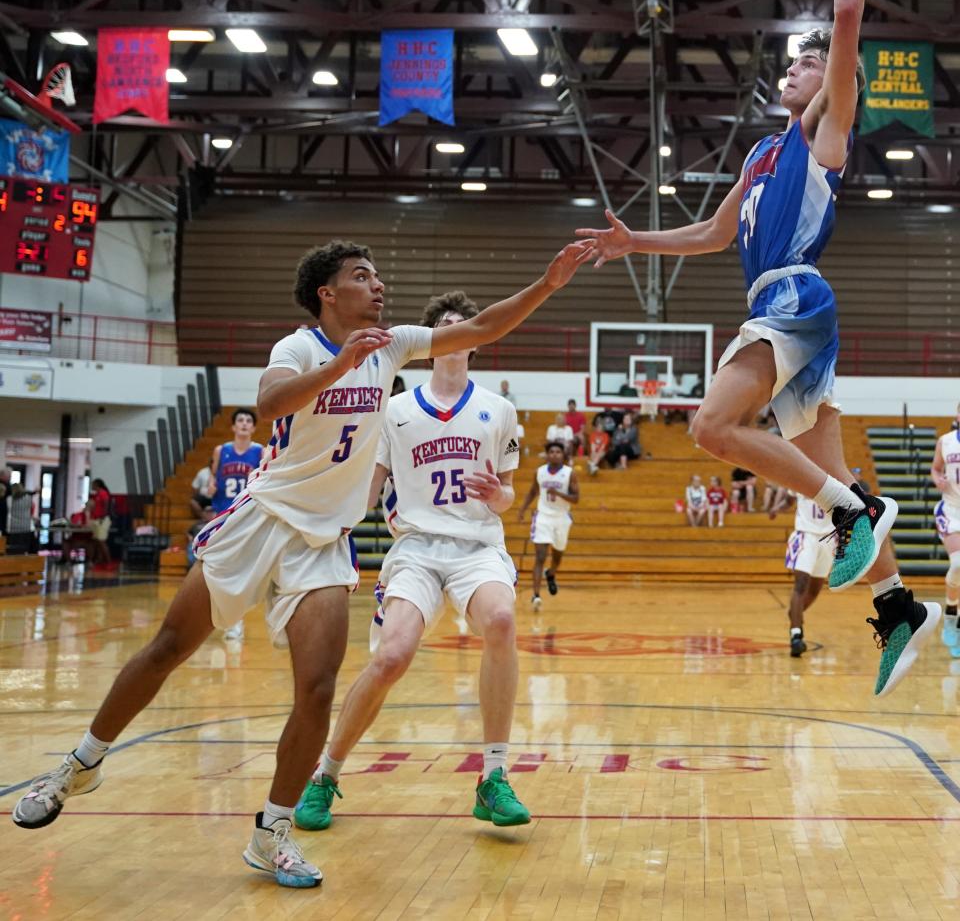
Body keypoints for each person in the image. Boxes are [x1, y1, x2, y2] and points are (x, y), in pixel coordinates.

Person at [11, 236, 590, 889]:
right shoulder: (299, 348)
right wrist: (343, 362)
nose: (377, 286)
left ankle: (272, 833)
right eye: (362, 275)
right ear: (327, 291)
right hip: (263, 521)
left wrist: (548, 282)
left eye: (376, 276)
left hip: (323, 540)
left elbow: (482, 326)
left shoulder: (395, 343)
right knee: (169, 645)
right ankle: (81, 762)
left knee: (316, 688)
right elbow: (271, 406)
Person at [576, 0, 939, 697]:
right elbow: (711, 234)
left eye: (806, 63)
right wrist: (637, 239)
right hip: (778, 310)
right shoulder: (761, 155)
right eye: (791, 63)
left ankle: (856, 512)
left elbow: (847, 20)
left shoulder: (827, 129)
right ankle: (898, 603)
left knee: (711, 425)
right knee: (827, 468)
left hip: (795, 298)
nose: (796, 70)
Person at [294, 289, 529, 834]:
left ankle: (493, 777)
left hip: (478, 545)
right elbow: (366, 484)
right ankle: (324, 775)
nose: (454, 334)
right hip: (417, 548)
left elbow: (509, 496)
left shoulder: (500, 410)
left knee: (501, 620)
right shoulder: (393, 410)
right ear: (430, 343)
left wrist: (497, 496)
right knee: (392, 657)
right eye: (444, 326)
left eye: (462, 326)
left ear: (473, 342)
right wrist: (334, 532)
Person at [208, 410, 264, 641]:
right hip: (223, 514)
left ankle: (235, 621)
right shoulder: (221, 451)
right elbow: (213, 480)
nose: (244, 424)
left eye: (248, 421)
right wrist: (211, 487)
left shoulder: (260, 451)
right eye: (240, 420)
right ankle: (220, 617)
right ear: (233, 427)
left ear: (253, 428)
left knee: (242, 570)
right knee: (220, 568)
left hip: (247, 515)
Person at [516, 440, 579, 609]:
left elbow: (576, 499)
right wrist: (522, 509)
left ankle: (551, 574)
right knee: (540, 557)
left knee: (557, 556)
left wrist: (558, 493)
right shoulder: (540, 472)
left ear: (563, 455)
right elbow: (532, 491)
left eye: (558, 452)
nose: (554, 454)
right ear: (547, 455)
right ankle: (536, 596)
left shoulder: (569, 473)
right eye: (551, 452)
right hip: (543, 517)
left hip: (561, 517)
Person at [785, 495, 834, 657]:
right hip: (805, 535)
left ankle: (795, 614)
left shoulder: (835, 478)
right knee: (801, 584)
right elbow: (789, 499)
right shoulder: (801, 473)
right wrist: (777, 507)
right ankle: (796, 636)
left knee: (814, 591)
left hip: (829, 538)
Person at [931, 408, 960, 655]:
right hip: (951, 510)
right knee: (958, 563)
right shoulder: (946, 441)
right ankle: (951, 611)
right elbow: (936, 468)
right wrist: (937, 478)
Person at [86, 479, 112, 566]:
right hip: (96, 519)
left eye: (93, 484)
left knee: (101, 541)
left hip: (102, 520)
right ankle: (99, 559)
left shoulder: (103, 493)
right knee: (96, 541)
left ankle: (108, 561)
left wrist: (103, 517)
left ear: (97, 485)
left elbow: (106, 505)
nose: (92, 486)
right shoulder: (96, 494)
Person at [5, 483, 36, 554]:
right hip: (26, 527)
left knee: (14, 551)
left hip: (13, 528)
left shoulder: (9, 499)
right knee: (26, 549)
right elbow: (31, 509)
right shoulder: (29, 498)